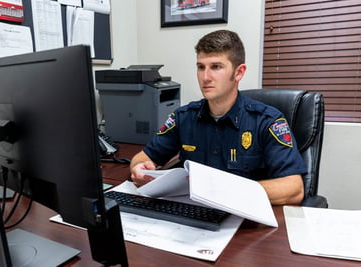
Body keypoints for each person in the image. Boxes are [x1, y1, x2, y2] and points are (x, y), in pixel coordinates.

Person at [130, 29, 306, 205]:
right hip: (194, 217)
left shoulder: (266, 121)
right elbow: (142, 158)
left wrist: (226, 191)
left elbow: (293, 189)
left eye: (216, 67)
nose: (205, 77)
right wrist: (140, 169)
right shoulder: (183, 118)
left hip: (244, 220)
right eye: (201, 67)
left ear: (238, 73)